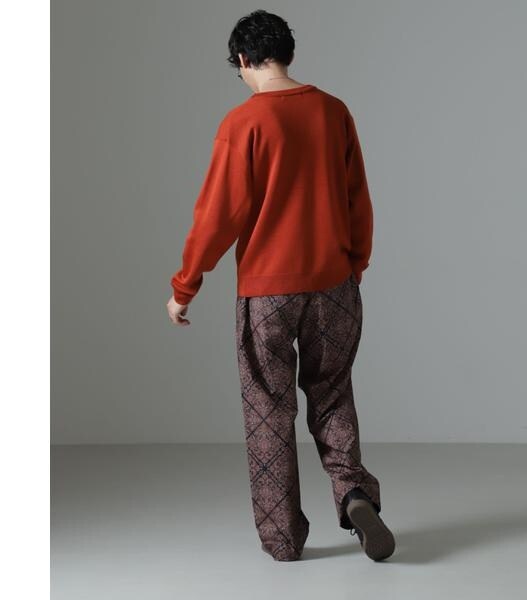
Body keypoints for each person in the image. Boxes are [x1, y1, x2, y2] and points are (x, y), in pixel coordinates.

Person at [166, 9, 395, 562]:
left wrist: (184, 286)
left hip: (267, 292)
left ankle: (284, 539)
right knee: (332, 392)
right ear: (287, 54)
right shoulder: (333, 111)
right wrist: (354, 266)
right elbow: (357, 200)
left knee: (268, 410)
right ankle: (355, 493)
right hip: (333, 284)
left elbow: (217, 216)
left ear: (245, 60)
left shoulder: (243, 123)